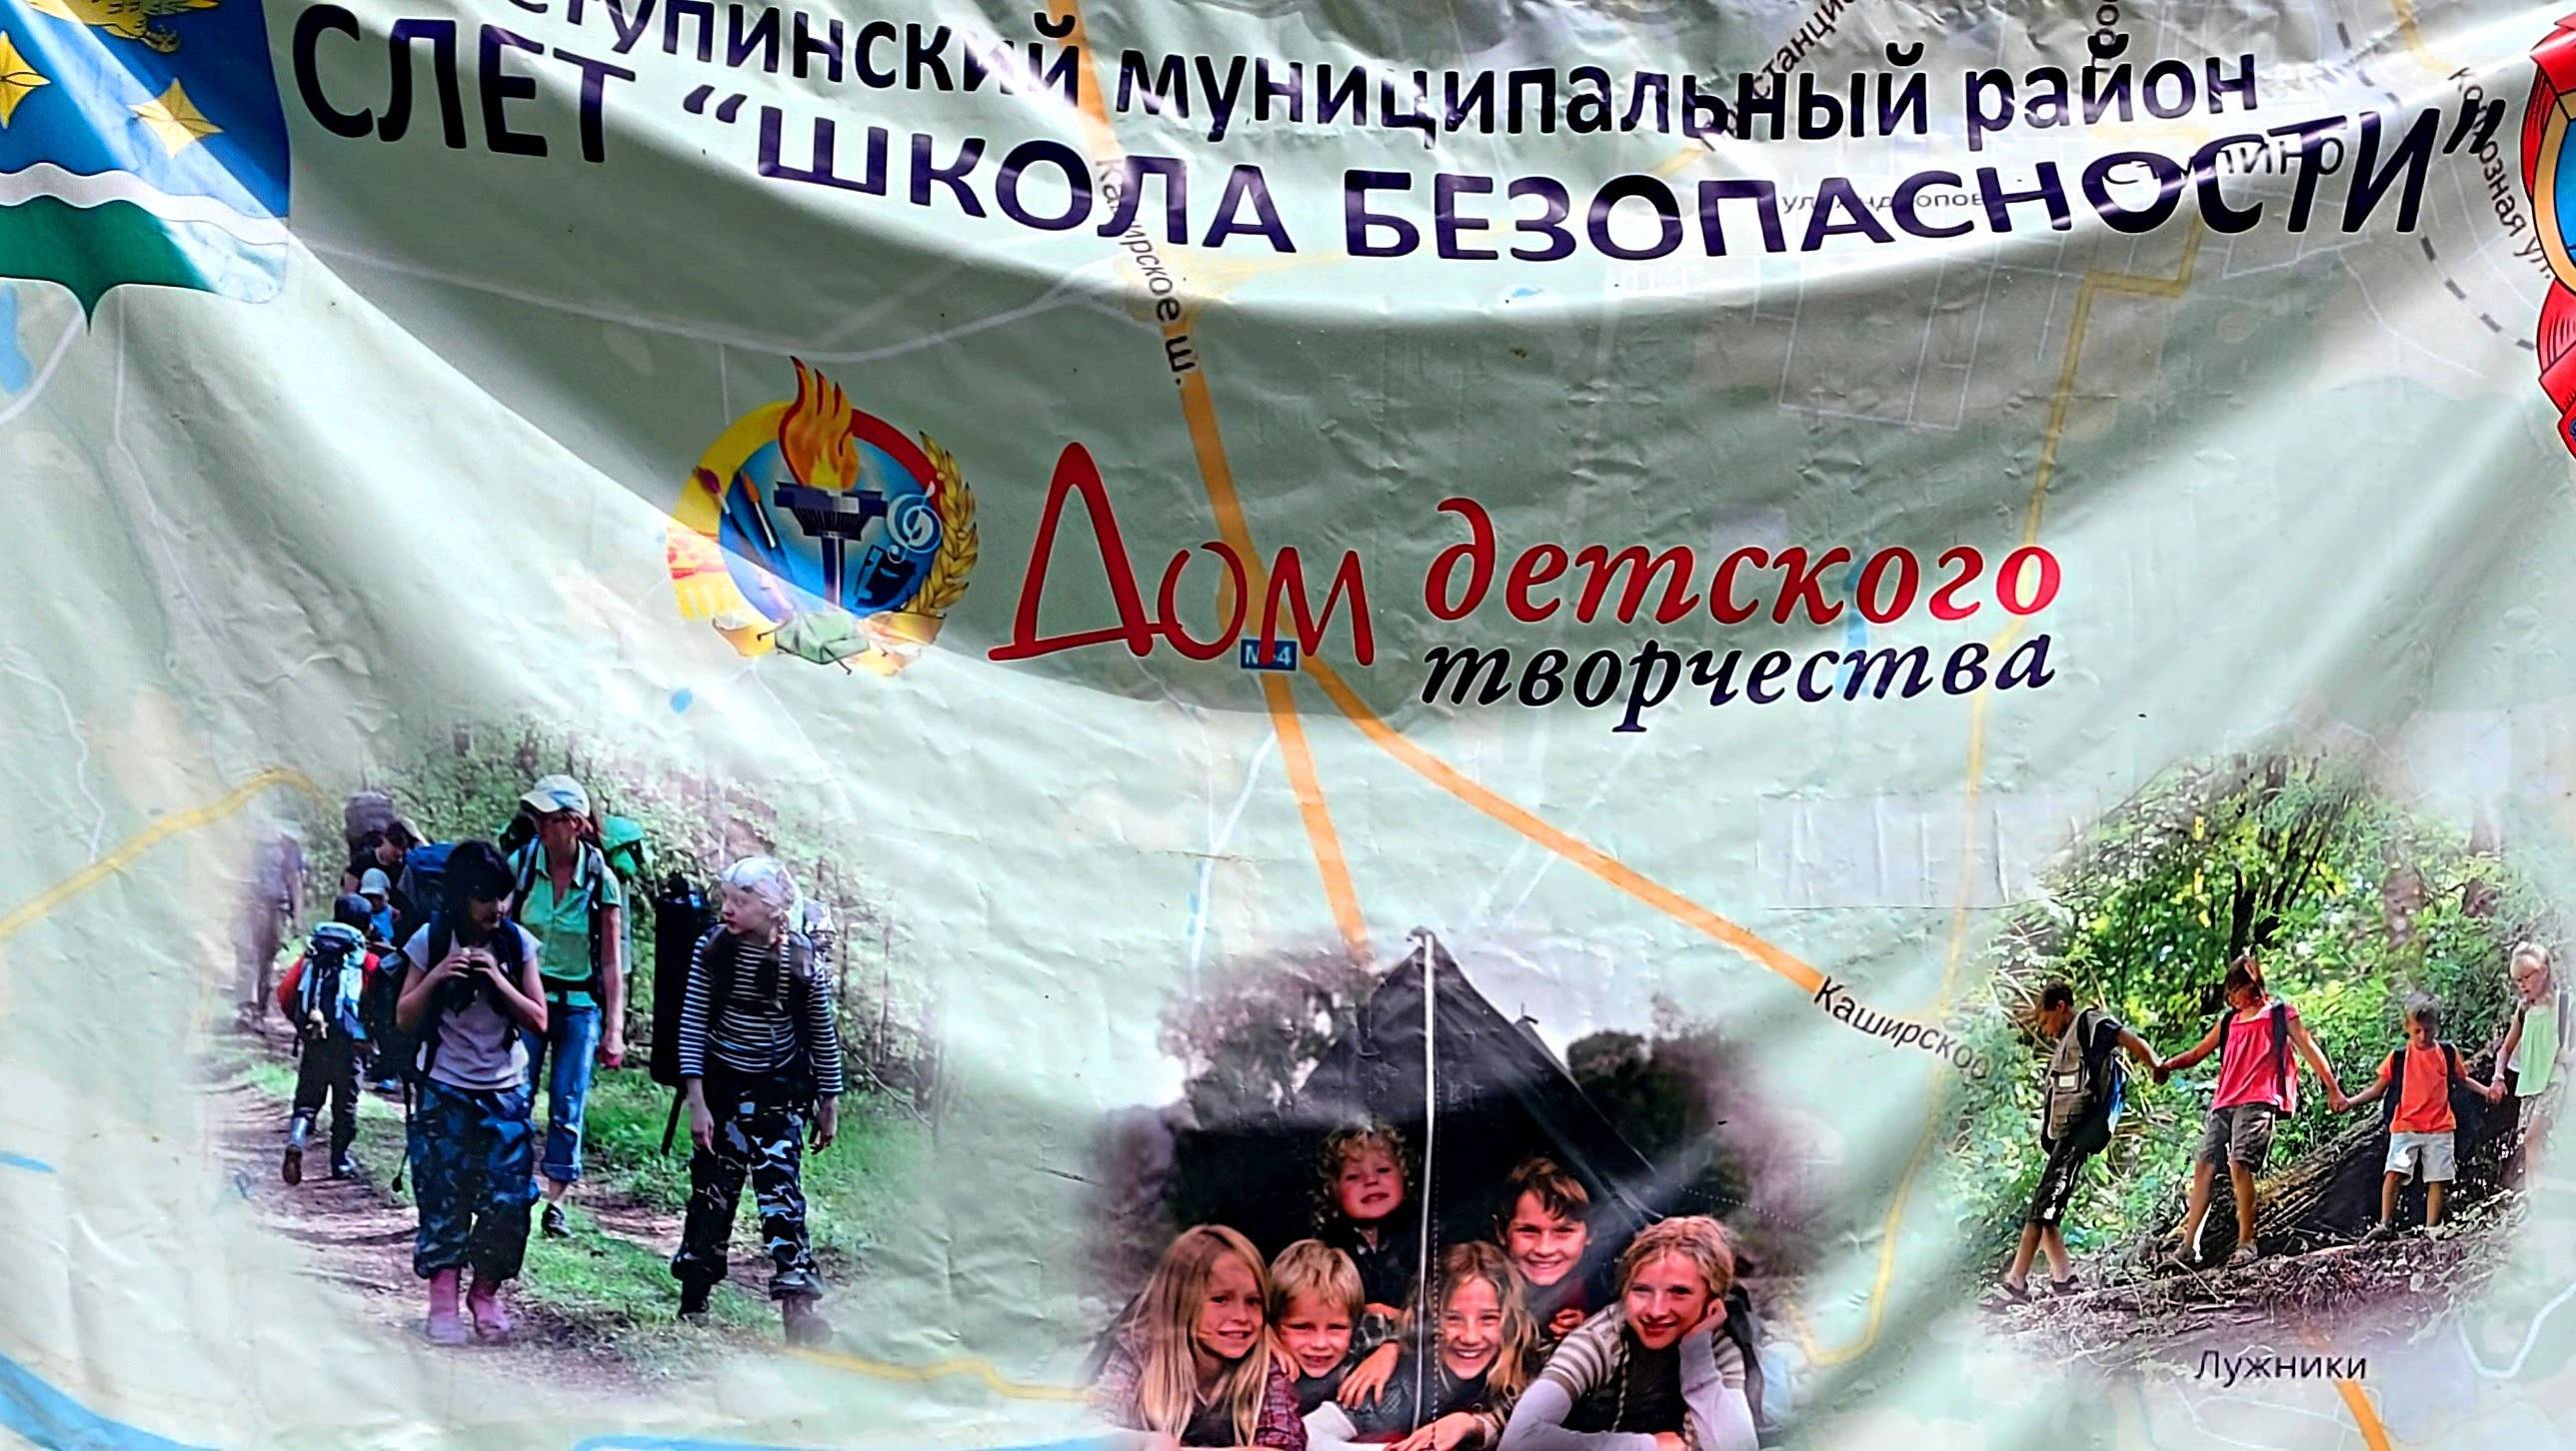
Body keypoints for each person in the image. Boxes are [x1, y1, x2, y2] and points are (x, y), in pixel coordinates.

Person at [669, 856, 845, 1344]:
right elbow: (692, 1024)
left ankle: (799, 1311)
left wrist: (829, 1100)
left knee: (782, 1199)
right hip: (722, 1089)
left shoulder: (801, 959)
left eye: (741, 902)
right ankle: (695, 1291)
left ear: (772, 909)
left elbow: (822, 1032)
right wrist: (697, 1102)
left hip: (778, 1094)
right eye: (726, 899)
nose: (727, 909)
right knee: (713, 1194)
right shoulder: (713, 949)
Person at [394, 839, 548, 1346]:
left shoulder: (518, 944)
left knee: (508, 1202)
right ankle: (442, 1301)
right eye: (484, 898)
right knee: (443, 1197)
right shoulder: (431, 940)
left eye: (503, 896)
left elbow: (539, 1019)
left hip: (506, 1091)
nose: (496, 908)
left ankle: (485, 1294)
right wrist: (439, 975)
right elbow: (403, 1016)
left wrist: (499, 982)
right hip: (445, 1086)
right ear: (461, 897)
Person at [2151, 952, 2349, 1269]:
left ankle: (2246, 1242)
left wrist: (2332, 1088)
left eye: (2235, 991)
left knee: (2240, 1164)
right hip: (2225, 1101)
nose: (2232, 999)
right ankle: (2189, 1246)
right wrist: (2167, 1066)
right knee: (2204, 1166)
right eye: (2229, 993)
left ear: (2251, 985)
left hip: (2259, 1098)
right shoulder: (2229, 1022)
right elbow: (2198, 1052)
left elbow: (2309, 1049)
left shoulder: (2280, 1015)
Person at [1496, 1216, 1756, 1451]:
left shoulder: (1715, 1346)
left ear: (1711, 1301)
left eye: (1679, 1292)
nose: (1656, 1311)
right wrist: (1650, 1446)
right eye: (1642, 1290)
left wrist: (1696, 1352)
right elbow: (1519, 1440)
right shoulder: (1600, 1339)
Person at [506, 774, 628, 1239]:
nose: (540, 826)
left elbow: (612, 963)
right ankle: (513, 1186)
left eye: (550, 818)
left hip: (579, 1005)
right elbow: (500, 929)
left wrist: (614, 1029)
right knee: (514, 1093)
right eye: (536, 817)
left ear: (575, 823)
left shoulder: (600, 879)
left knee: (567, 1102)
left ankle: (556, 1202)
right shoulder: (521, 866)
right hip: (526, 999)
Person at [1992, 981, 2161, 1301]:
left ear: (2060, 1006)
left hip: (2080, 1129)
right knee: (2047, 1208)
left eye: (2046, 1020)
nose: (2046, 1030)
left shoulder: (2090, 1024)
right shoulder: (2067, 1043)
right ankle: (2064, 1280)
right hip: (2065, 1135)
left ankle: (2016, 1283)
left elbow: (2128, 1039)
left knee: (2041, 1208)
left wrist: (2156, 1065)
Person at [1095, 1224, 1306, 1450]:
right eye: (1220, 1299)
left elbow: (1285, 1442)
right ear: (1180, 1302)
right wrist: (1144, 1442)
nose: (1241, 1316)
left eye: (1253, 1301)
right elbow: (1095, 1426)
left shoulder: (1264, 1367)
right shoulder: (1140, 1351)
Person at [1310, 1242, 1537, 1451]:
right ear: (1428, 1319)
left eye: (1488, 1319)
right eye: (1453, 1318)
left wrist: (1473, 1425)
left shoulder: (1529, 1367)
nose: (1470, 1337)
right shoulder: (1399, 1382)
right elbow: (1310, 1435)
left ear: (1510, 1322)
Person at [2342, 998, 2503, 1238]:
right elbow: (2378, 1089)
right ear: (2407, 1027)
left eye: (2428, 1030)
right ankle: (2385, 1223)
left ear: (2436, 1027)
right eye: (2417, 1030)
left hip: (2440, 1126)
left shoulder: (2446, 1053)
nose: (2422, 1036)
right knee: (2394, 1172)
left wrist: (2487, 1091)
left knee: (2437, 1178)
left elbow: (2462, 1079)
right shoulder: (2399, 1057)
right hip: (2405, 1125)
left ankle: (2432, 1228)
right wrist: (2349, 1103)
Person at [275, 894, 381, 1185]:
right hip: (351, 1046)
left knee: (307, 1100)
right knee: (345, 1105)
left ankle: (296, 1139)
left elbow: (285, 992)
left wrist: (303, 1025)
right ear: (367, 926)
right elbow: (380, 1006)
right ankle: (340, 1161)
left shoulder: (312, 955)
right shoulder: (367, 962)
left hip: (315, 1039)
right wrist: (372, 1037)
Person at [1496, 1158, 1597, 1344]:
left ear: (1590, 1234)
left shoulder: (1602, 1293)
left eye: (1563, 1231)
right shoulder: (1483, 1295)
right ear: (1502, 1233)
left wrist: (1589, 1333)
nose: (1545, 1249)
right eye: (1528, 1231)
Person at [2495, 942, 2568, 1178]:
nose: (2523, 985)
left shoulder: (2564, 1004)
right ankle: (2536, 1191)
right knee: (2531, 1145)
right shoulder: (2524, 1010)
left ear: (2543, 971)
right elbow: (2506, 1048)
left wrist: (2566, 1056)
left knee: (2533, 1137)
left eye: (2527, 977)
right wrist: (2498, 1076)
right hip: (2529, 1085)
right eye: (2518, 980)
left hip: (2553, 1080)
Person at [1270, 1240, 1362, 1414]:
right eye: (1302, 1327)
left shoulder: (1367, 1344)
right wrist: (1262, 1339)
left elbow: (1403, 1331)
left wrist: (1389, 1350)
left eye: (1336, 1327)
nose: (1320, 1344)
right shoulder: (1256, 1363)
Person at [235, 823, 307, 1028]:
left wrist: (297, 917)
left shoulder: (287, 845)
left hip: (276, 907)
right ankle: (246, 1008)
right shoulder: (248, 840)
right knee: (246, 952)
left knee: (266, 959)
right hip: (249, 904)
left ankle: (259, 1010)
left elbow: (294, 881)